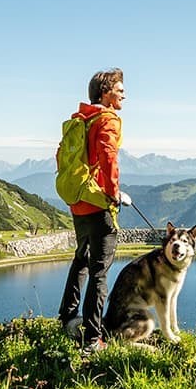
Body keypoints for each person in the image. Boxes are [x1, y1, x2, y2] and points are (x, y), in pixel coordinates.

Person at [57, 68, 131, 353]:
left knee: (81, 260)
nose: (124, 94)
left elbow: (60, 155)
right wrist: (113, 194)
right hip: (99, 202)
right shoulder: (107, 119)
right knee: (100, 271)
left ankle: (66, 317)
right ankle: (92, 339)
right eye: (120, 89)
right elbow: (109, 157)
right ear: (105, 92)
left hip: (78, 202)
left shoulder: (80, 119)